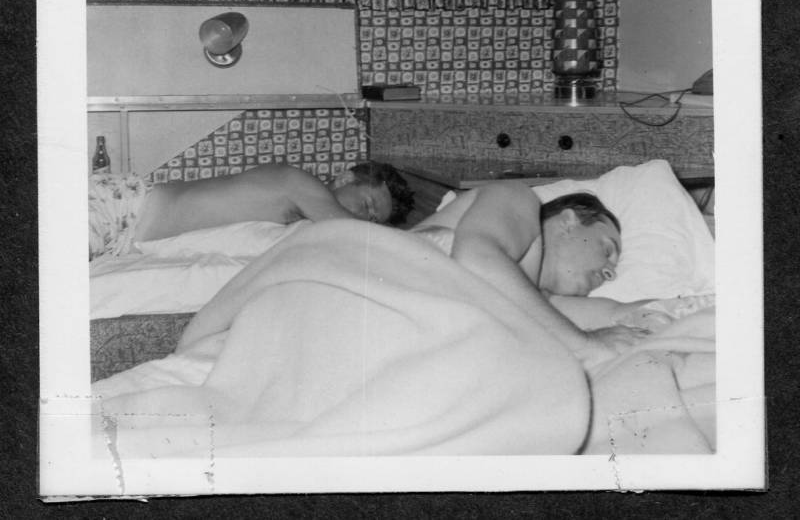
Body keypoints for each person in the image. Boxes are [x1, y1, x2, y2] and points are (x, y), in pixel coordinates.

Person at [413, 181, 648, 367]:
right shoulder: (518, 198)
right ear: (568, 221)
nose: (610, 273)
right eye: (607, 250)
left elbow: (624, 316)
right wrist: (584, 345)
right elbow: (476, 258)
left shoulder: (543, 308)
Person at [88, 161, 414, 259]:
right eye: (367, 204)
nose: (363, 217)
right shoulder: (299, 182)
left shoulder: (301, 219)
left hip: (122, 234)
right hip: (119, 208)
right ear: (345, 178)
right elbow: (352, 234)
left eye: (373, 218)